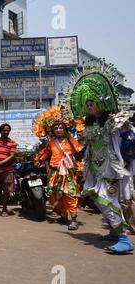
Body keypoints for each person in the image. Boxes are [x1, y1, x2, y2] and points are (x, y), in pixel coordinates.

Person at [66, 58, 135, 254]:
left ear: (100, 104)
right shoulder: (89, 125)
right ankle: (114, 232)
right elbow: (88, 144)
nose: (89, 106)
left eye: (92, 103)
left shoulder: (113, 122)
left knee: (107, 198)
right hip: (94, 166)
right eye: (87, 103)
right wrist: (80, 154)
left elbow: (128, 135)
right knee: (96, 197)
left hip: (110, 167)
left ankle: (124, 238)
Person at [33, 106, 81, 230]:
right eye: (56, 128)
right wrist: (39, 160)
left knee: (69, 194)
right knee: (54, 194)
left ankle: (74, 220)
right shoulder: (51, 142)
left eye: (60, 127)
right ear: (52, 130)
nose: (58, 129)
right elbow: (46, 152)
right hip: (55, 172)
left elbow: (79, 153)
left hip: (68, 173)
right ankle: (63, 214)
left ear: (65, 128)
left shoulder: (71, 141)